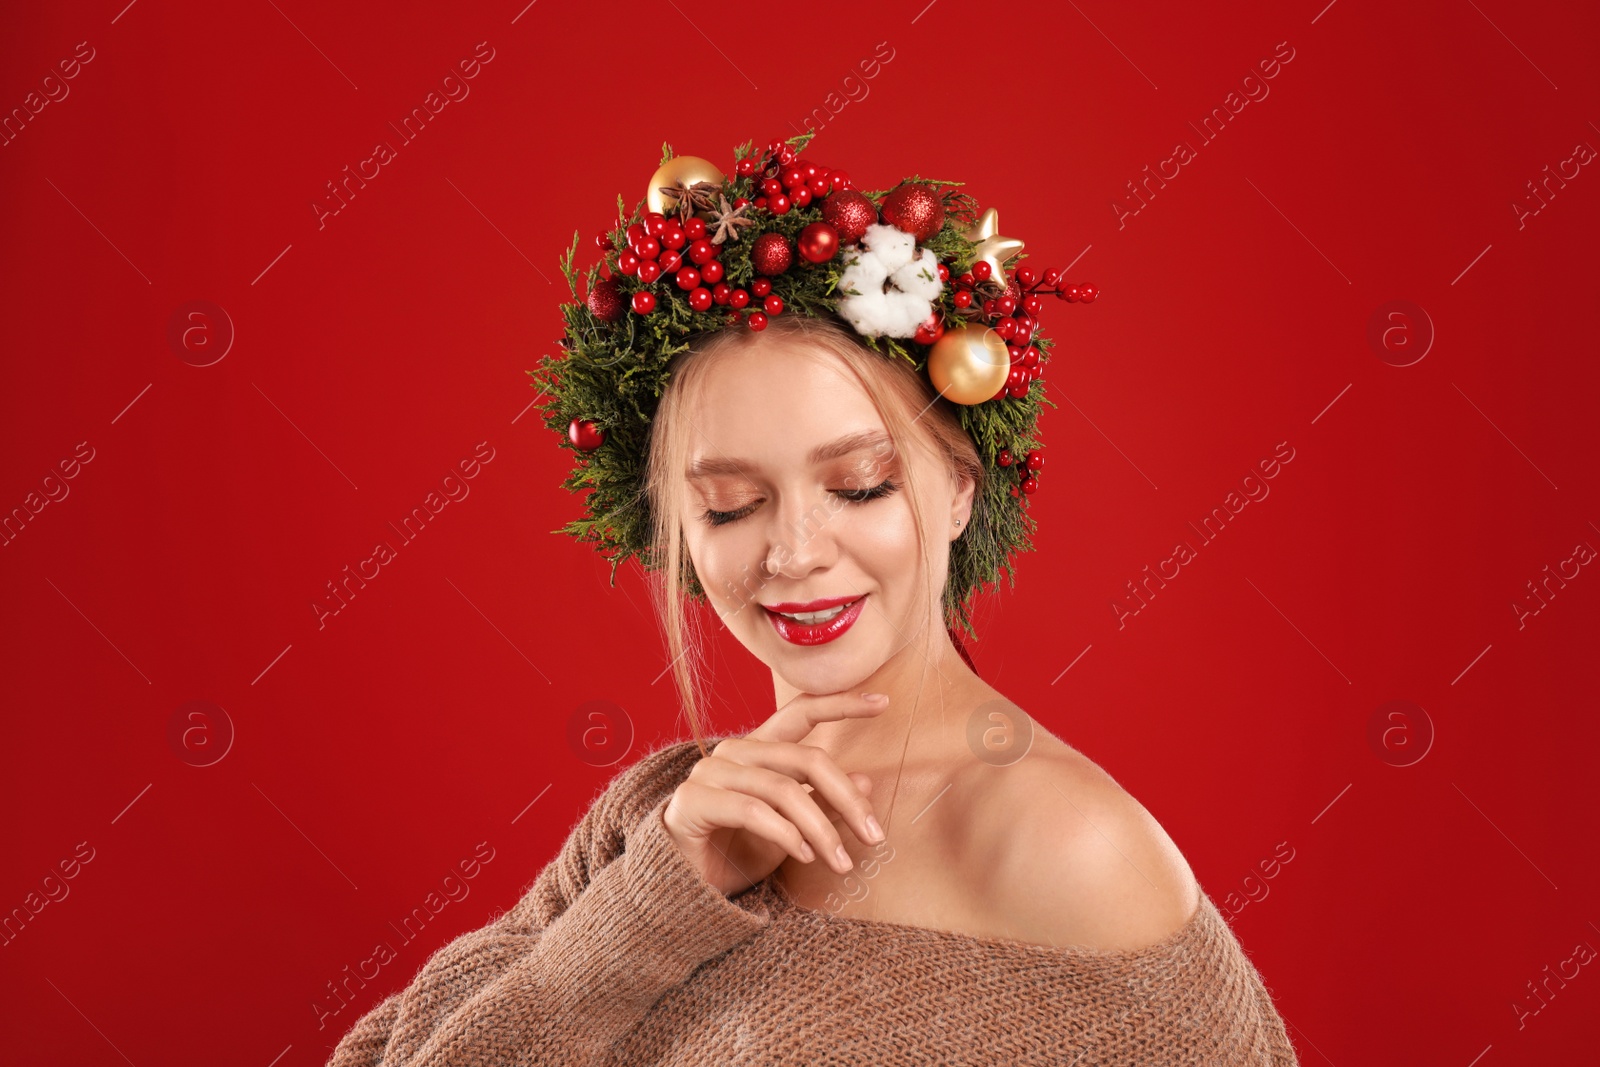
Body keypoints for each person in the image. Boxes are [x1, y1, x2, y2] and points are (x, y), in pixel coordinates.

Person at [324, 133, 1299, 1065]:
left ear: (960, 489)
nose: (793, 553)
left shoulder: (1068, 848)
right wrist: (658, 898)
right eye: (731, 503)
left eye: (860, 485)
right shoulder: (669, 817)